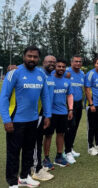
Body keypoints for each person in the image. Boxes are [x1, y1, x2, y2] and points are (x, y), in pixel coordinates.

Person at [0, 46, 51, 188]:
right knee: (13, 152)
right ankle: (12, 182)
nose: (32, 59)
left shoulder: (41, 75)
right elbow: (4, 97)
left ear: (38, 58)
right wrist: (6, 119)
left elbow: (45, 96)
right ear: (24, 56)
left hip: (33, 119)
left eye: (35, 57)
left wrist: (47, 115)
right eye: (29, 56)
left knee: (29, 150)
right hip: (15, 120)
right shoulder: (14, 73)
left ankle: (24, 177)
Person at [43, 59, 73, 168]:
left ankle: (59, 157)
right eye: (59, 66)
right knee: (48, 135)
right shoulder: (49, 78)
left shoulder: (67, 81)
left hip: (63, 112)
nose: (61, 68)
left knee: (61, 134)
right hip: (50, 113)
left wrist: (70, 109)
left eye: (63, 67)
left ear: (65, 68)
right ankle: (46, 158)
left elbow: (69, 95)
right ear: (55, 67)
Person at [32, 55, 56, 181]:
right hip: (37, 113)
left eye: (53, 62)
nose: (51, 63)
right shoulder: (39, 73)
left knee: (38, 140)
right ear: (43, 62)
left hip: (46, 113)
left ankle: (36, 165)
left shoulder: (51, 75)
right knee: (35, 141)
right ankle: (36, 168)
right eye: (49, 61)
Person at [64, 55, 85, 164]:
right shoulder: (66, 72)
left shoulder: (82, 73)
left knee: (75, 127)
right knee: (70, 127)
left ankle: (70, 148)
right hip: (68, 105)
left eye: (80, 61)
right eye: (76, 61)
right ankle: (66, 152)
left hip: (78, 104)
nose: (78, 63)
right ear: (71, 62)